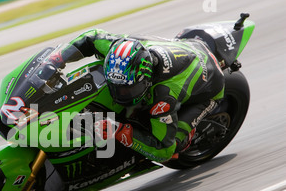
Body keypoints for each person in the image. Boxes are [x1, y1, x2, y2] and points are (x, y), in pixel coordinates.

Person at [68, 28, 225, 163]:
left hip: (210, 88)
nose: (120, 94)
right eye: (116, 87)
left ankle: (187, 136)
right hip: (187, 46)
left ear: (146, 81)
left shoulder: (164, 98)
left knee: (174, 146)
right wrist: (58, 59)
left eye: (127, 90)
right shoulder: (120, 50)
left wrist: (118, 130)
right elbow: (91, 37)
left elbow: (164, 151)